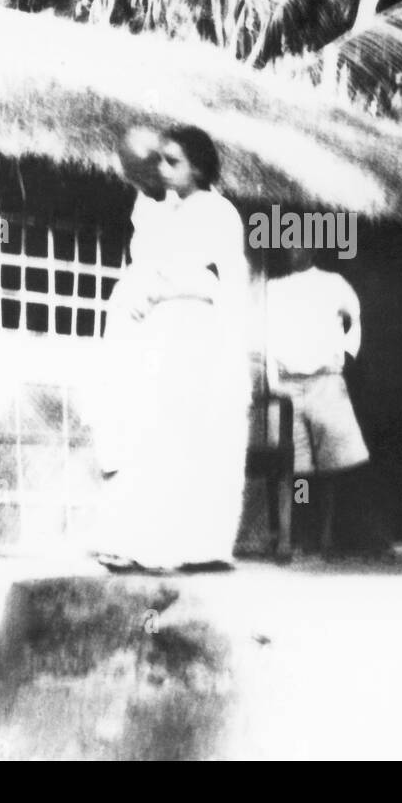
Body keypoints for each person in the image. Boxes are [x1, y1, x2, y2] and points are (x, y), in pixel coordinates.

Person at [88, 125, 250, 571]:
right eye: (160, 160)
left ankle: (197, 546)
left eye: (173, 161)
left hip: (195, 334)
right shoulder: (163, 212)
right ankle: (136, 542)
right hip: (159, 336)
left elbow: (223, 279)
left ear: (199, 167)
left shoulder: (219, 212)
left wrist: (167, 291)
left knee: (187, 439)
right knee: (148, 435)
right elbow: (148, 261)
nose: (162, 169)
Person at [265, 246, 369, 555]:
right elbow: (264, 335)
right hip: (288, 387)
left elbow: (356, 316)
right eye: (289, 244)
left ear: (311, 250)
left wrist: (348, 352)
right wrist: (272, 381)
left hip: (325, 381)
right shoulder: (273, 288)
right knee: (288, 464)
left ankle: (324, 537)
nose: (293, 251)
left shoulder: (334, 283)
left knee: (329, 465)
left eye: (300, 244)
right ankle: (286, 537)